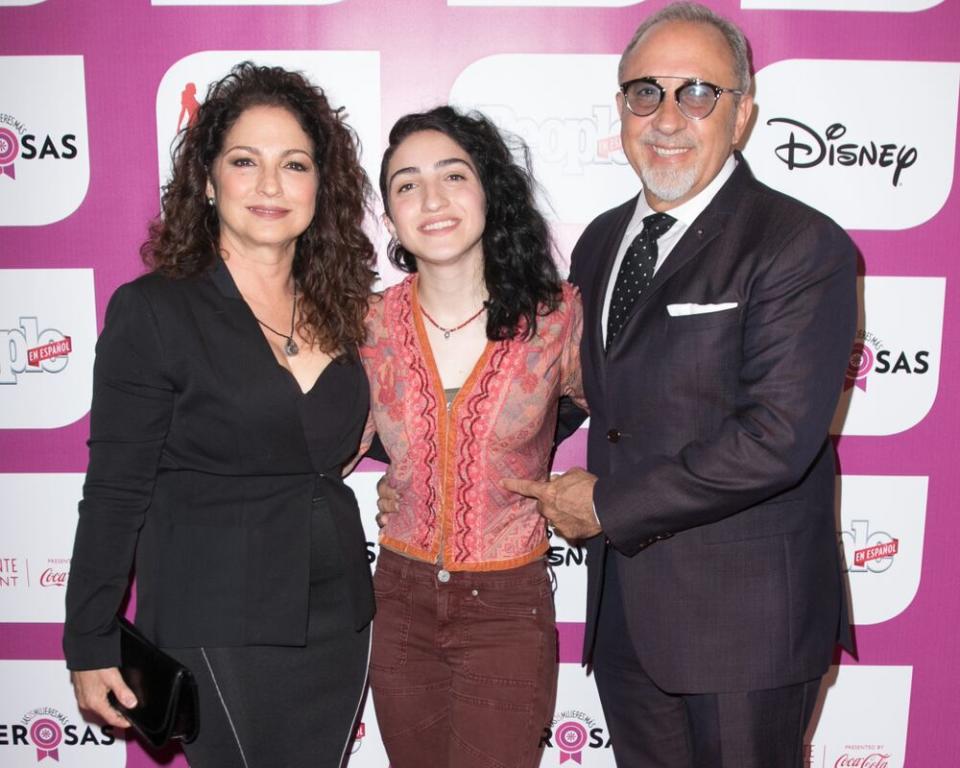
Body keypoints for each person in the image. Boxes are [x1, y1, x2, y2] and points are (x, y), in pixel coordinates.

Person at [503, 4, 857, 767]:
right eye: (646, 93)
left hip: (746, 626)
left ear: (743, 115)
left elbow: (776, 439)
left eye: (698, 93)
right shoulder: (600, 240)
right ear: (621, 108)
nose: (668, 117)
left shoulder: (799, 244)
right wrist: (449, 429)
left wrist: (605, 505)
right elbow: (578, 392)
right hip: (626, 612)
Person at [63, 62, 377, 768]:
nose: (270, 185)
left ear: (320, 189)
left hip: (338, 618)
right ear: (207, 181)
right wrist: (88, 638)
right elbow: (115, 489)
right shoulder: (154, 311)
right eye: (245, 161)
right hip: (217, 619)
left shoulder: (345, 313)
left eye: (294, 165)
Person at [359, 106, 586, 768]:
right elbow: (326, 439)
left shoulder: (557, 317)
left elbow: (618, 412)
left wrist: (576, 483)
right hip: (397, 602)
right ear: (391, 213)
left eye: (453, 175)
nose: (431, 199)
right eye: (406, 184)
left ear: (489, 187)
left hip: (507, 608)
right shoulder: (366, 323)